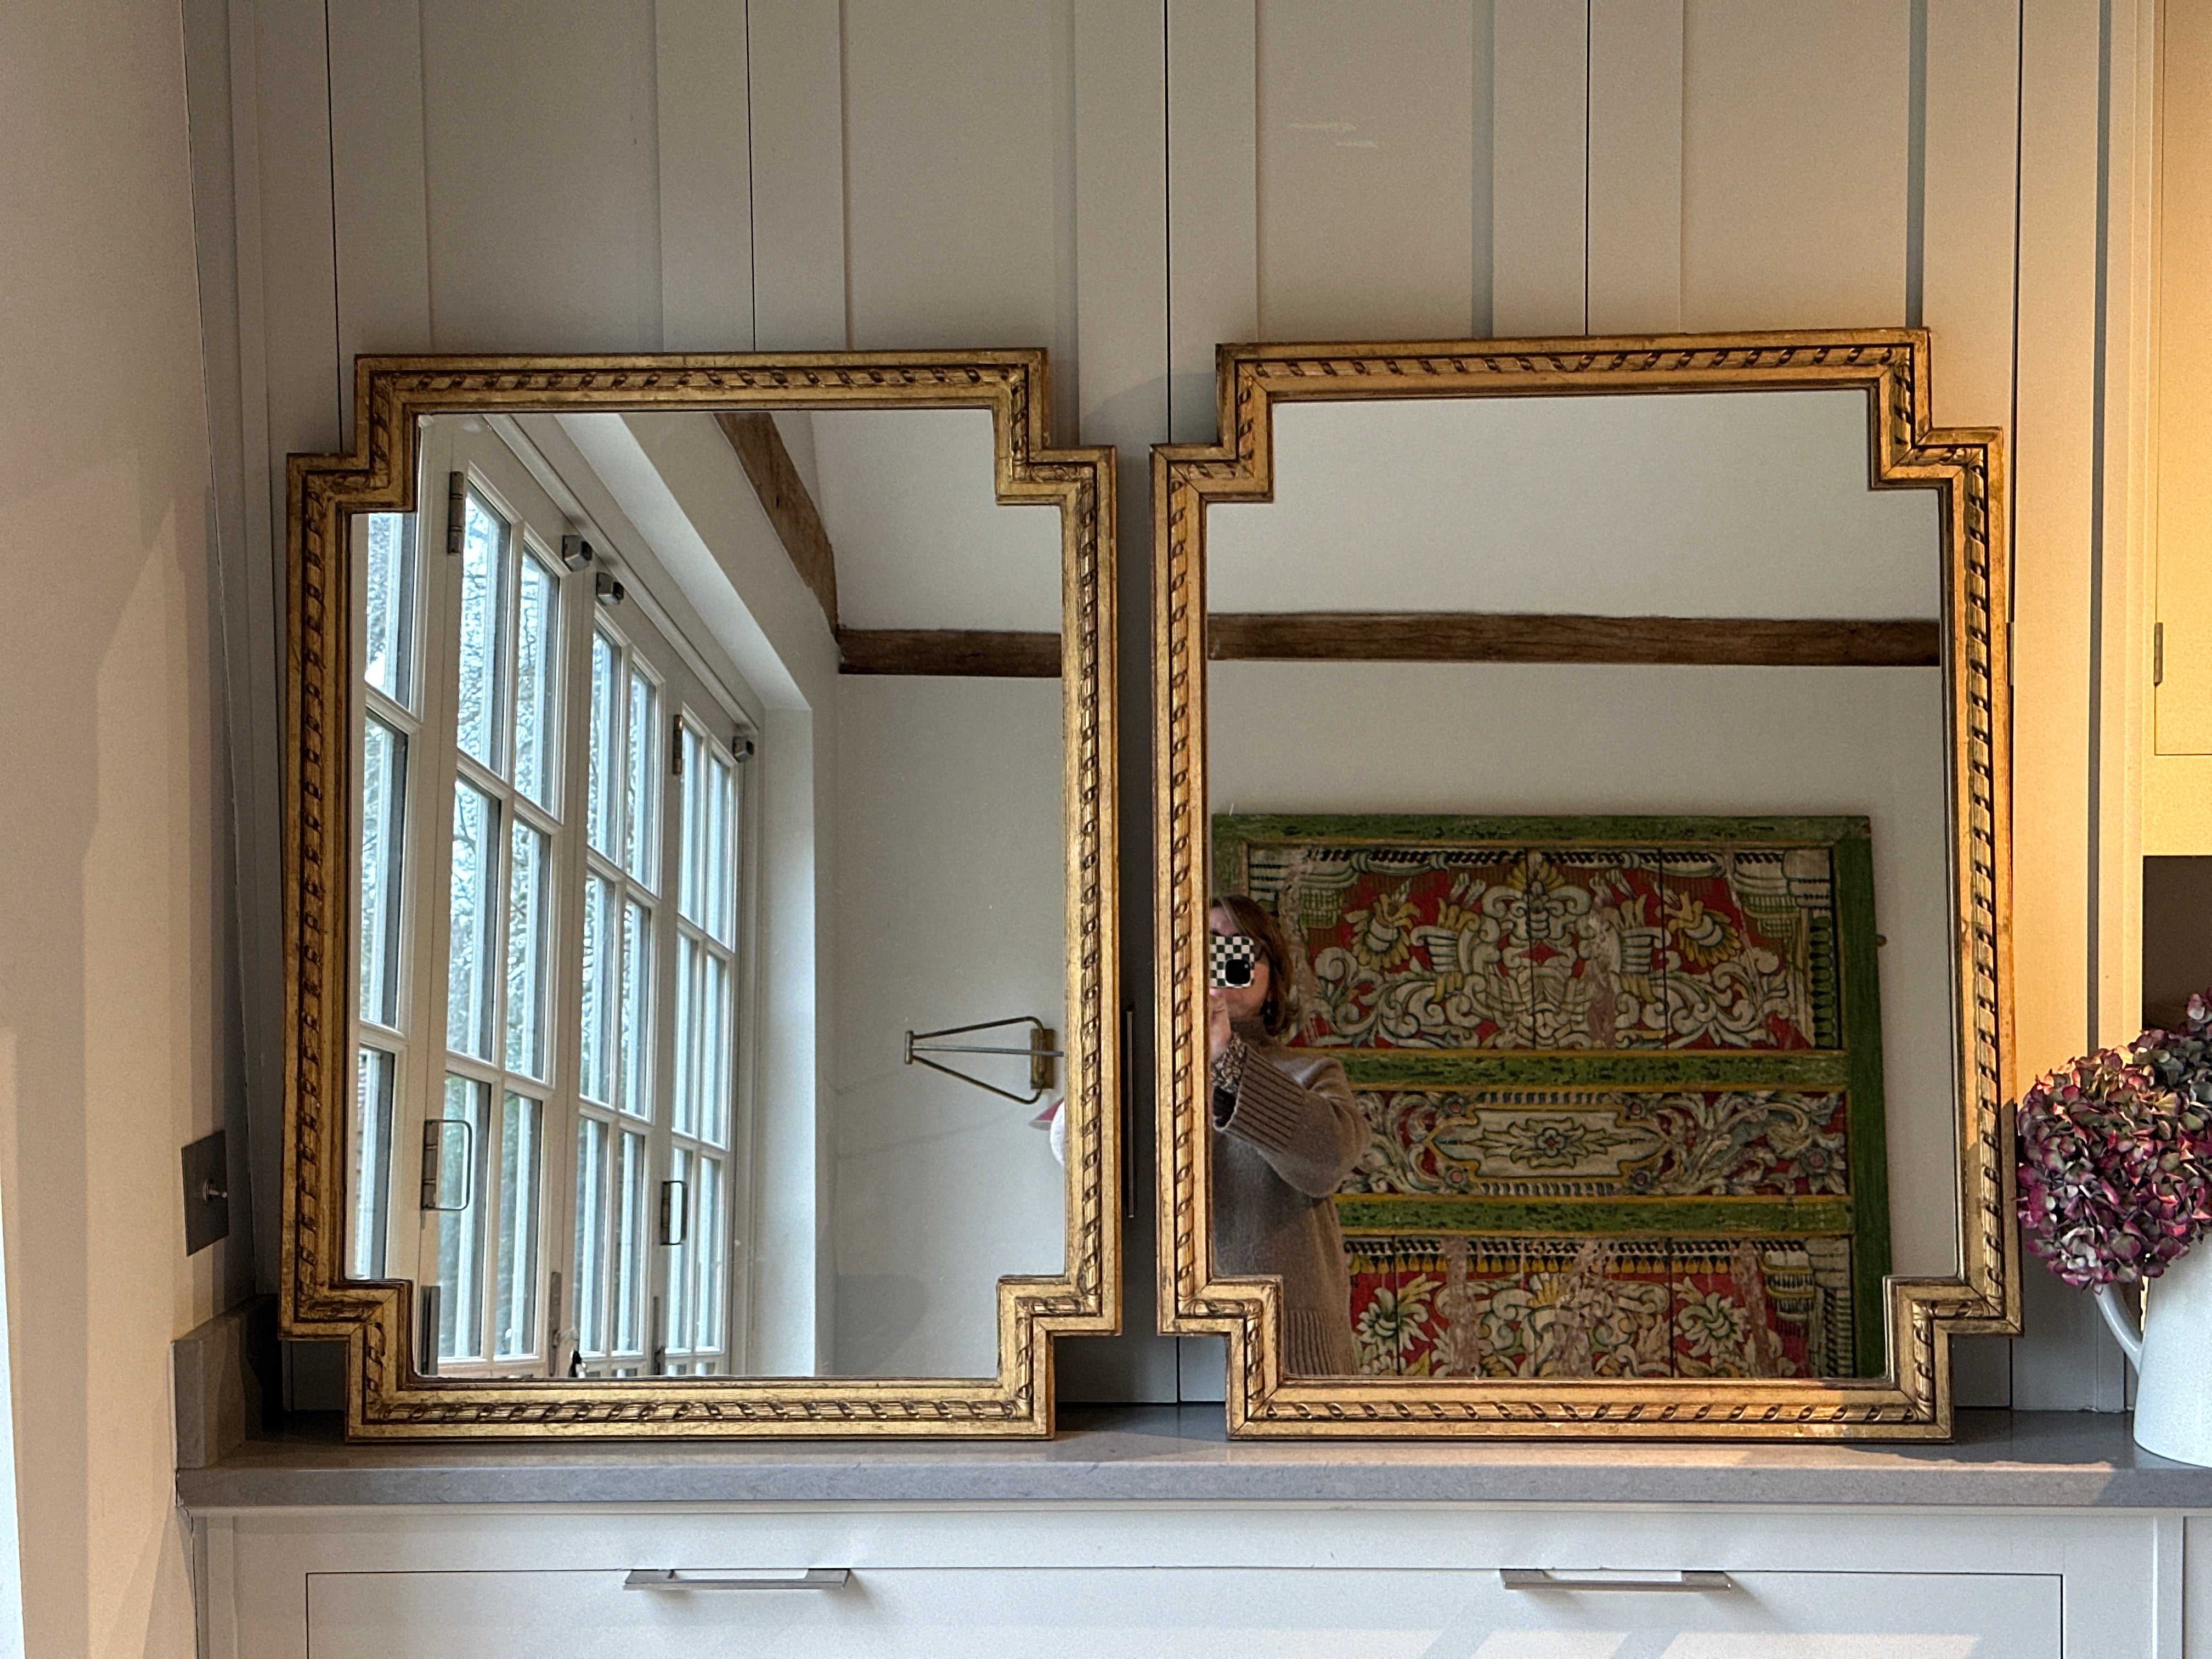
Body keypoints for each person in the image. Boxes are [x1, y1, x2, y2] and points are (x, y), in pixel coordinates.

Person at [1207, 894, 1368, 1375]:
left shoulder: (1312, 1071)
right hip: (1175, 1346)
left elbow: (1331, 1158)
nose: (1224, 960)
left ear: (1273, 982)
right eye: (1210, 946)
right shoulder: (1148, 1070)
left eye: (1242, 949)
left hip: (1297, 1347)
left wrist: (1228, 1060)